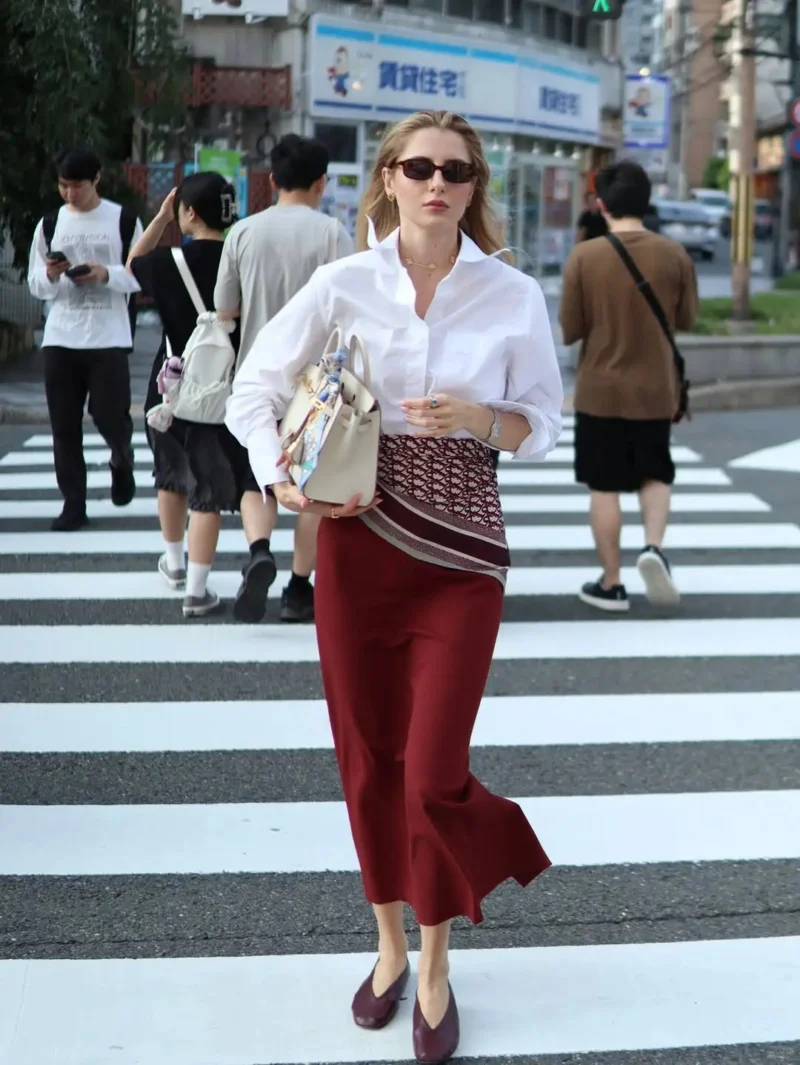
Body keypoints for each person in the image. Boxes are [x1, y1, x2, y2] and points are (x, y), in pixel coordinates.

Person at [225, 109, 562, 1064]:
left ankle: (439, 961)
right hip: (359, 536)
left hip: (462, 550)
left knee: (431, 770)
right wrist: (280, 477)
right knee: (369, 759)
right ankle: (388, 947)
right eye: (418, 167)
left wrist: (480, 417)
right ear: (387, 178)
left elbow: (543, 425)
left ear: (475, 184)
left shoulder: (512, 294)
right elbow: (254, 388)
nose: (436, 183)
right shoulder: (344, 282)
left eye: (455, 170)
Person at [215, 133, 355, 623]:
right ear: (322, 182)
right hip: (316, 385)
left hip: (256, 378)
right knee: (310, 484)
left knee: (258, 476)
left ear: (272, 179)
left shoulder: (242, 232)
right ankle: (298, 588)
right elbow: (349, 310)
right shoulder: (333, 233)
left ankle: (259, 550)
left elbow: (225, 309)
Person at [127, 173, 273, 618]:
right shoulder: (243, 260)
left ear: (188, 212)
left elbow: (132, 264)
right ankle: (196, 590)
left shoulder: (168, 261)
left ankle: (173, 564)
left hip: (170, 387)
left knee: (170, 477)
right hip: (225, 389)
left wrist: (159, 220)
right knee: (207, 489)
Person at [559, 160, 698, 614]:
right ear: (647, 201)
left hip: (600, 390)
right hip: (656, 390)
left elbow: (570, 329)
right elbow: (686, 319)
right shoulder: (674, 254)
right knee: (656, 473)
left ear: (601, 205)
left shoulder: (585, 257)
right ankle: (653, 548)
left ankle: (611, 582)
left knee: (604, 486)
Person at [27, 147, 143, 531]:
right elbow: (36, 284)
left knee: (109, 415)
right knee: (64, 426)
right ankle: (73, 504)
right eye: (63, 186)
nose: (69, 194)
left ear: (96, 179)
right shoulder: (49, 224)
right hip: (61, 336)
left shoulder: (123, 221)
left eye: (76, 186)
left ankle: (121, 458)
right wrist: (52, 274)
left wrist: (105, 274)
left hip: (109, 335)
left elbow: (139, 274)